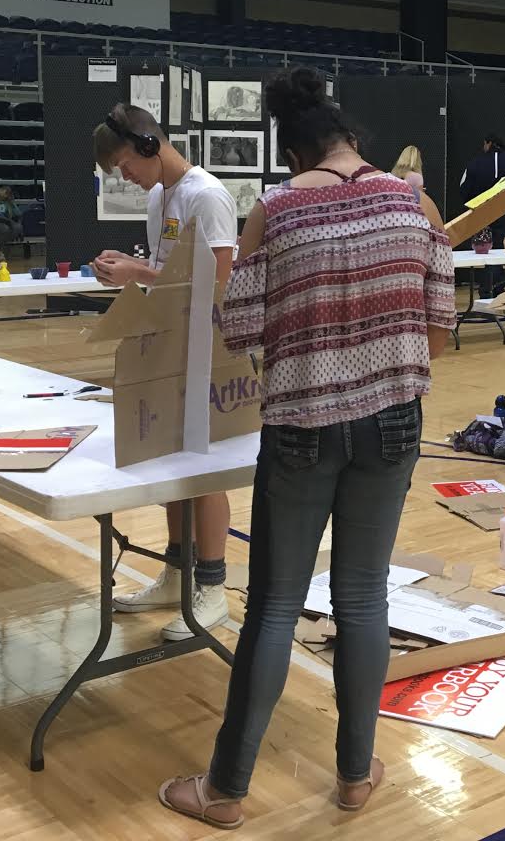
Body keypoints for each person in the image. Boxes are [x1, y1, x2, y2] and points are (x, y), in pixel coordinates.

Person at [158, 68, 455, 828]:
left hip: (302, 425)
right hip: (394, 421)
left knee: (274, 606)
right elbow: (441, 329)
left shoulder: (277, 209)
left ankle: (226, 791)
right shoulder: (414, 203)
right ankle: (355, 776)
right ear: (351, 136)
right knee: (363, 598)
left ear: (293, 150)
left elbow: (240, 329)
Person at [92, 103, 241, 641]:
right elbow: (169, 276)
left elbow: (219, 285)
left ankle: (213, 589)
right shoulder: (161, 196)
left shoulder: (207, 195)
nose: (126, 177)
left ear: (149, 146)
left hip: (207, 352)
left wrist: (139, 271)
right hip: (170, 346)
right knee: (172, 468)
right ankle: (177, 575)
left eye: (125, 165)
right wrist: (131, 273)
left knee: (204, 471)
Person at [460, 133, 505, 298]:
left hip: (481, 215)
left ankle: (486, 290)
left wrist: (472, 207)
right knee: (501, 251)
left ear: (488, 143)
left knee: (484, 251)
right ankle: (498, 289)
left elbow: (464, 188)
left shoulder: (475, 163)